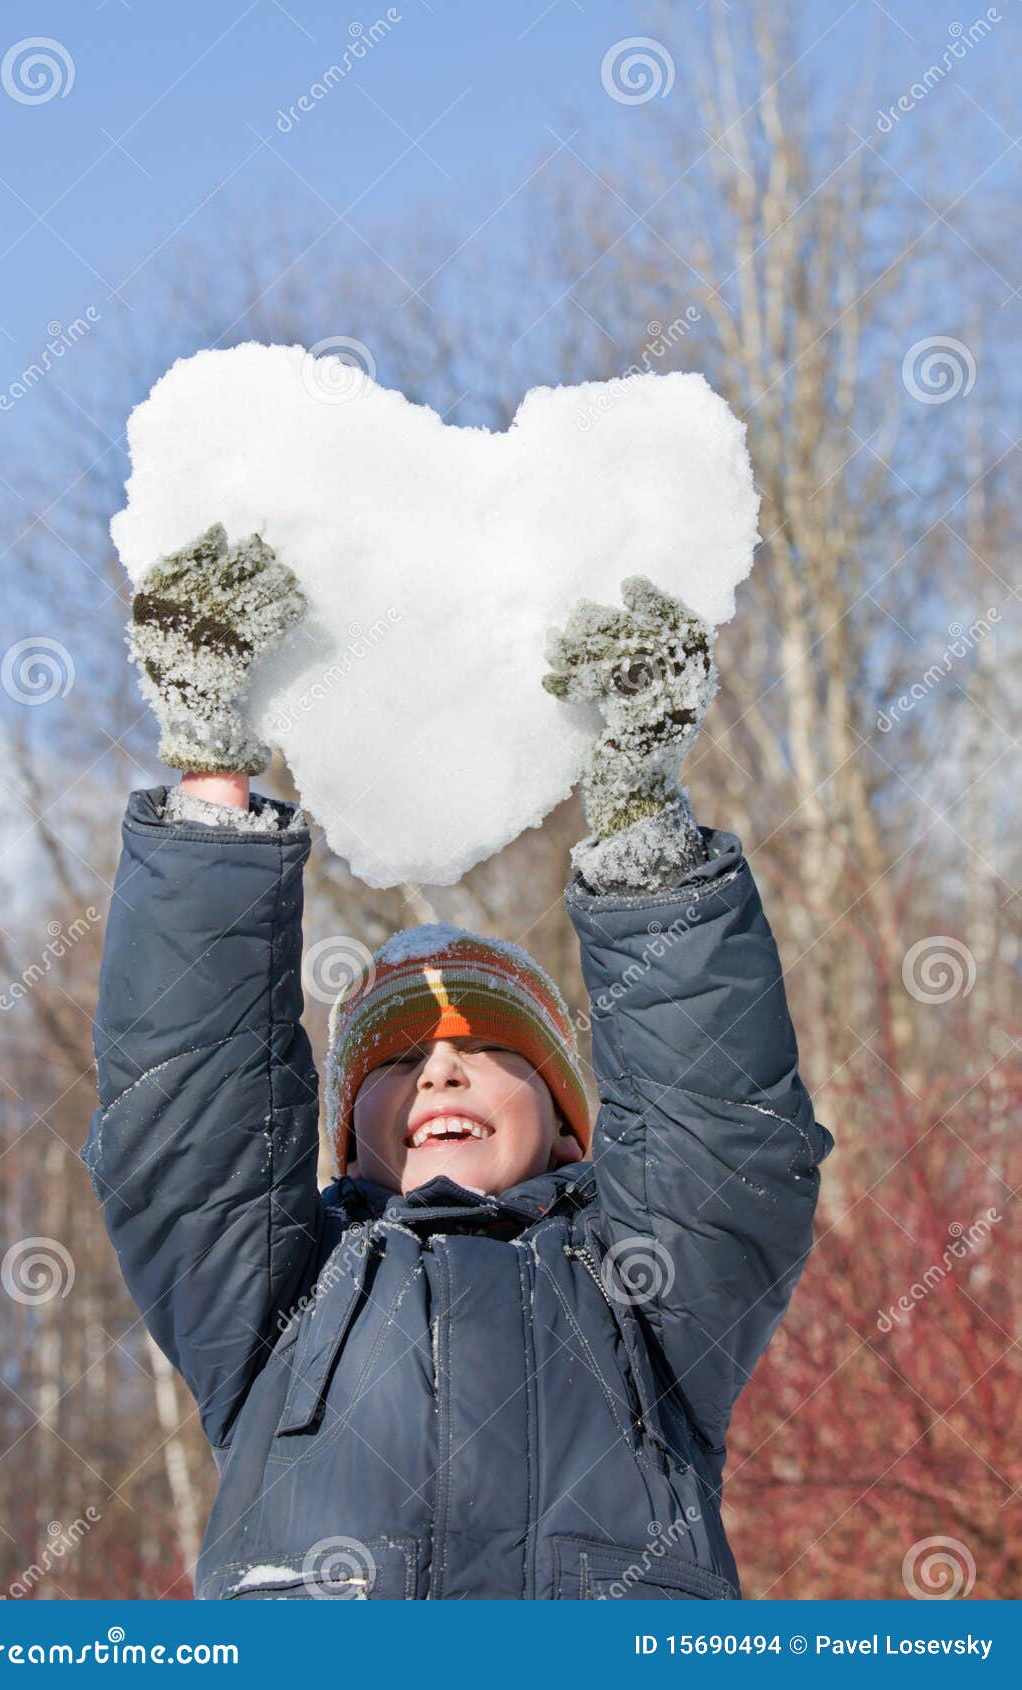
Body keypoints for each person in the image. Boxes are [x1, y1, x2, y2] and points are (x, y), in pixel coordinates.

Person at [82, 522, 832, 1600]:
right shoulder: (276, 1301)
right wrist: (210, 779)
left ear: (571, 1121)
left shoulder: (646, 1299)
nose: (436, 1073)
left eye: (484, 1049)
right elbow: (189, 1113)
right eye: (394, 1066)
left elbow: (720, 1133)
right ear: (343, 1142)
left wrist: (638, 823)